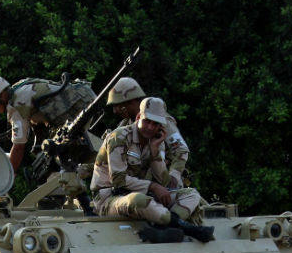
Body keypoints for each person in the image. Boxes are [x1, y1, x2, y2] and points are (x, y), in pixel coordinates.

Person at [90, 97, 212, 242]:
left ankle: (161, 230)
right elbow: (118, 180)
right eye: (147, 121)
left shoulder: (156, 142)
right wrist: (153, 186)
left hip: (143, 195)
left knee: (192, 195)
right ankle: (188, 229)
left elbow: (164, 182)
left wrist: (155, 153)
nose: (150, 127)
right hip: (109, 199)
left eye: (155, 124)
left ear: (161, 126)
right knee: (139, 200)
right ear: (138, 117)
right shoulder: (119, 137)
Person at [0, 73, 93, 172]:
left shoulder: (16, 106)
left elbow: (18, 147)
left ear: (1, 95)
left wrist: (10, 175)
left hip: (79, 108)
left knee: (67, 161)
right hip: (83, 97)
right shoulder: (19, 87)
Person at [107, 77, 190, 180]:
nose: (115, 111)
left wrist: (174, 177)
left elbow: (181, 151)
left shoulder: (161, 121)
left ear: (133, 102)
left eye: (120, 106)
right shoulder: (125, 125)